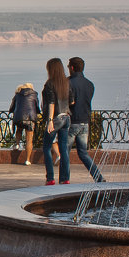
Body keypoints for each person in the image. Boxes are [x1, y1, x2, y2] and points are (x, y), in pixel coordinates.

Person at [67, 56, 105, 183]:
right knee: (83, 153)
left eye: (68, 67)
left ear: (72, 68)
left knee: (65, 152)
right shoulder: (90, 84)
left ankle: (64, 180)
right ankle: (98, 177)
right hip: (85, 121)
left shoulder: (68, 83)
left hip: (72, 121)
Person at [42, 58, 72, 186]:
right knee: (64, 149)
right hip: (66, 117)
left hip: (55, 118)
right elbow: (72, 101)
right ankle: (65, 178)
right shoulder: (66, 83)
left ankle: (50, 178)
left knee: (47, 148)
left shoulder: (50, 84)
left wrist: (49, 121)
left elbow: (51, 103)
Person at [8, 83, 40, 166]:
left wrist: (11, 111)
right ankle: (27, 160)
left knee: (19, 129)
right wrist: (38, 112)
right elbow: (37, 106)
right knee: (29, 140)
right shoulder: (34, 94)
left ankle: (17, 144)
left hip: (19, 117)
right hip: (30, 118)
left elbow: (12, 107)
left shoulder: (17, 95)